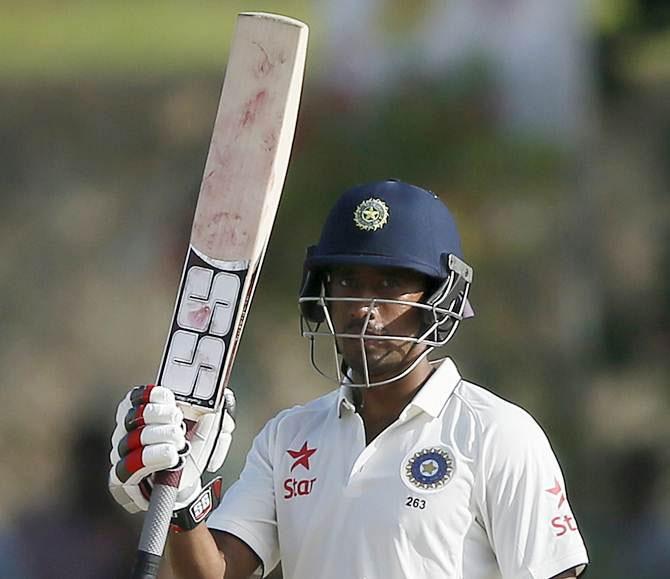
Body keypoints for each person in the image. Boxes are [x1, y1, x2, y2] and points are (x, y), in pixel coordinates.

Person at [109, 180, 589, 578]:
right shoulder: (288, 437)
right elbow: (216, 573)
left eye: (389, 286)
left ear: (439, 300)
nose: (363, 308)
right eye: (348, 283)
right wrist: (184, 500)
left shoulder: (496, 434)